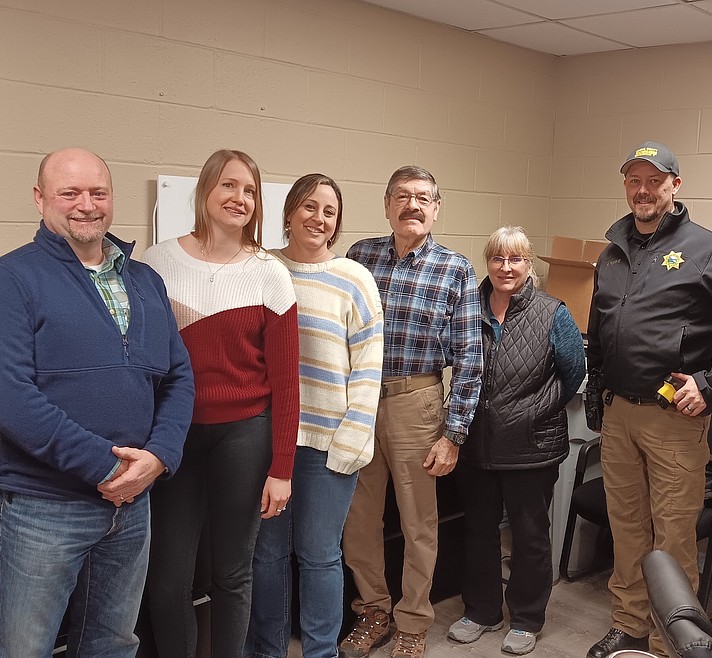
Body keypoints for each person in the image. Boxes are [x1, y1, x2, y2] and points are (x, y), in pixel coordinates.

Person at [0, 147, 195, 657]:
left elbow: (178, 377)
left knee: (113, 643)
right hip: (41, 509)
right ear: (40, 198)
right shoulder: (7, 280)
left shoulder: (144, 281)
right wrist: (107, 468)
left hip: (132, 506)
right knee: (27, 648)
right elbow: (9, 400)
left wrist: (159, 458)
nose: (86, 205)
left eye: (98, 192)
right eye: (69, 193)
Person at [584, 140, 712, 658]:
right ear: (626, 186)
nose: (643, 190)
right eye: (634, 181)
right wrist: (596, 385)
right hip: (619, 413)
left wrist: (709, 386)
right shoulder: (612, 250)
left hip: (673, 418)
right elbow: (600, 327)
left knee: (671, 535)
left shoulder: (707, 248)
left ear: (674, 186)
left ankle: (674, 641)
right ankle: (630, 625)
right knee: (626, 526)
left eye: (654, 181)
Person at [142, 149, 299, 658]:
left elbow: (286, 380)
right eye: (229, 186)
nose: (240, 198)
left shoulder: (269, 273)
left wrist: (282, 468)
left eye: (250, 191)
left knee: (233, 572)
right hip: (173, 436)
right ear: (205, 192)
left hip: (245, 434)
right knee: (168, 577)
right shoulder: (156, 263)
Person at [340, 165, 483, 658]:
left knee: (418, 521)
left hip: (417, 404)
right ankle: (373, 610)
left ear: (436, 208)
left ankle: (413, 620)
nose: (412, 205)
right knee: (358, 519)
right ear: (386, 204)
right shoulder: (360, 256)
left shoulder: (456, 268)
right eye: (402, 196)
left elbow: (469, 358)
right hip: (357, 400)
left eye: (423, 197)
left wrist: (454, 433)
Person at [246, 174, 384, 658]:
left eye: (329, 211)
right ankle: (267, 649)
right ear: (288, 213)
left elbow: (369, 365)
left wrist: (353, 438)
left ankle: (320, 652)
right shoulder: (262, 269)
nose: (318, 218)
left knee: (321, 557)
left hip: (328, 444)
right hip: (266, 440)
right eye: (309, 206)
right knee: (266, 556)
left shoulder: (353, 278)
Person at [446, 227, 586, 656]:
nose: (506, 268)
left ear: (529, 266)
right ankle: (482, 611)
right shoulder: (468, 306)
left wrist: (537, 410)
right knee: (479, 532)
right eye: (497, 259)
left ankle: (526, 618)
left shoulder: (553, 312)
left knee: (529, 536)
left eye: (516, 260)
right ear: (487, 263)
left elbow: (574, 371)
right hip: (477, 444)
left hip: (532, 447)